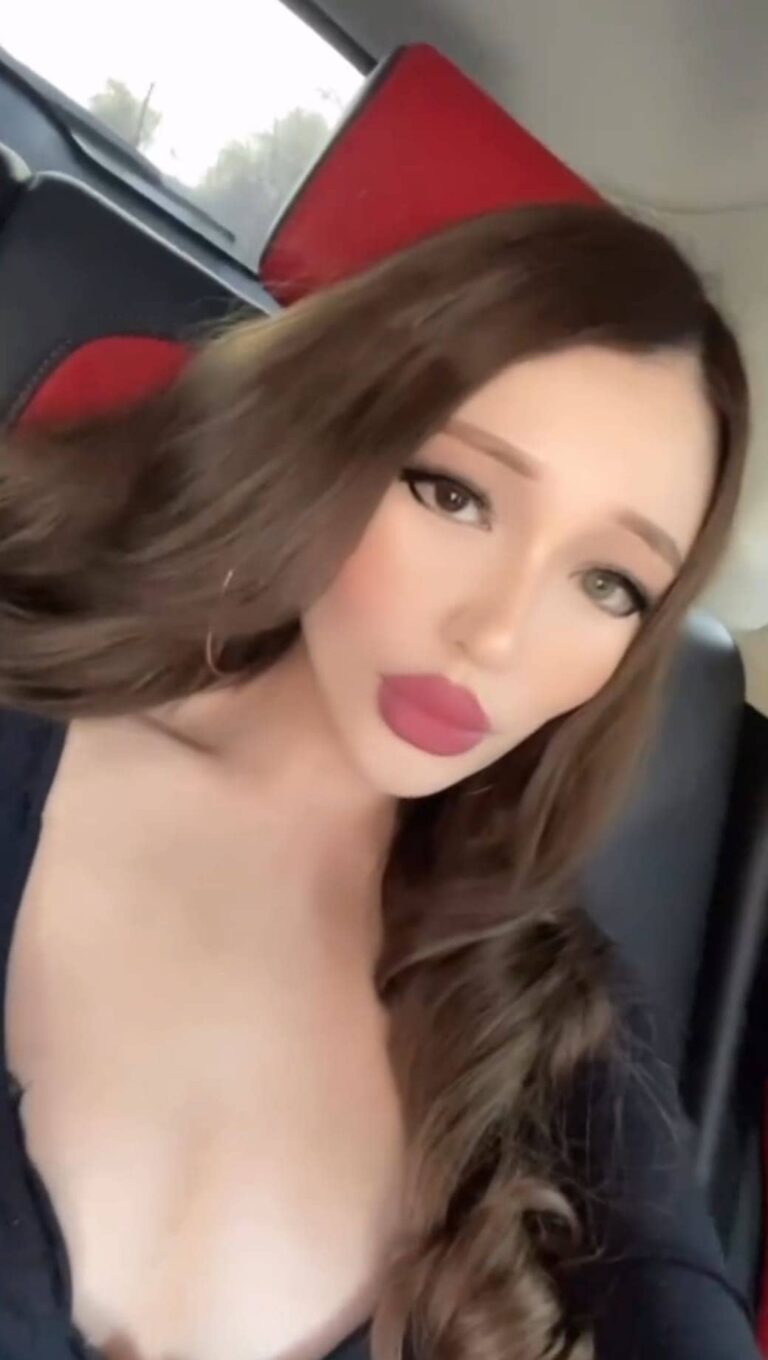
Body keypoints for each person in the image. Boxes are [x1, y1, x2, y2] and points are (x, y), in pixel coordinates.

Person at [0, 202, 758, 1360]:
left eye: (608, 583)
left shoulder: (546, 1011)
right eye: (455, 494)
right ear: (332, 437)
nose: (496, 635)